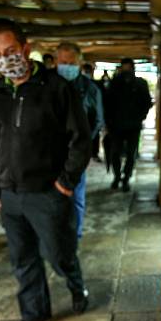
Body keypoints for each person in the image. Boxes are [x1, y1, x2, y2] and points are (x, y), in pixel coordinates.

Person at [0, 19, 92, 321]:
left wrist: (65, 182)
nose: (5, 59)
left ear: (25, 49)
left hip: (47, 192)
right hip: (10, 194)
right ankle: (34, 313)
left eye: (10, 51)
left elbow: (80, 140)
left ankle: (76, 285)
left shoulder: (59, 89)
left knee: (58, 254)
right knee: (23, 258)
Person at [55, 42, 105, 241]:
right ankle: (54, 234)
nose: (66, 66)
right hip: (49, 153)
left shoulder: (90, 89)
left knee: (75, 195)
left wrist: (83, 145)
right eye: (62, 62)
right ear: (56, 60)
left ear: (79, 62)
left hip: (76, 153)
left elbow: (98, 119)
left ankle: (74, 234)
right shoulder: (45, 85)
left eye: (71, 62)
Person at [106, 58, 152, 192]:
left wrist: (140, 117)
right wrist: (108, 123)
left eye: (128, 68)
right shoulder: (114, 84)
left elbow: (147, 103)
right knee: (115, 153)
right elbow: (107, 104)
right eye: (124, 68)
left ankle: (126, 178)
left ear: (133, 69)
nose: (126, 71)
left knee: (131, 154)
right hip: (116, 126)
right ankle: (117, 176)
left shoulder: (140, 84)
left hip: (133, 125)